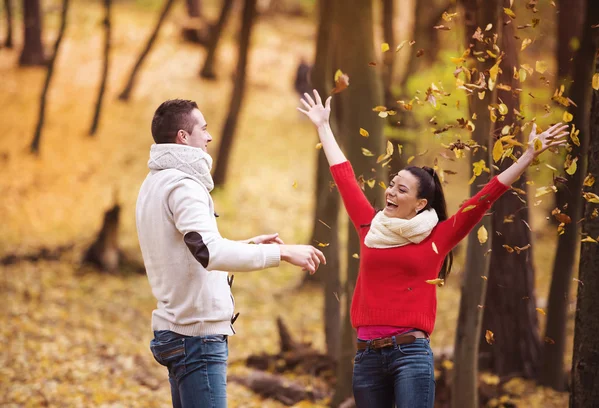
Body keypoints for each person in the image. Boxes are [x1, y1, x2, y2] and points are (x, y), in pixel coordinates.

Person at [298, 90, 568, 408]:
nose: (391, 192)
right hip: (367, 356)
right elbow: (344, 177)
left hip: (410, 355)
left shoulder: (438, 237)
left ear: (420, 203)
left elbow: (483, 199)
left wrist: (527, 157)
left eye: (402, 189)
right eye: (392, 184)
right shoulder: (369, 227)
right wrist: (323, 126)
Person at [136, 99, 326, 408]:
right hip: (195, 337)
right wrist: (284, 254)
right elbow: (209, 253)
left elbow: (193, 248)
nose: (209, 137)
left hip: (178, 331)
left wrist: (250, 246)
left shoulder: (155, 182)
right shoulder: (184, 186)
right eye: (204, 129)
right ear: (184, 137)